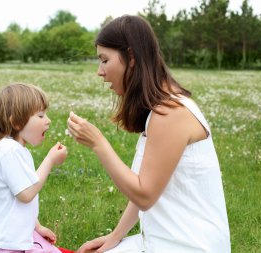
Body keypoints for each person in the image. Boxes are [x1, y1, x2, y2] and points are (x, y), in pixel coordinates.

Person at [67, 15, 231, 253]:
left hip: (190, 246)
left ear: (131, 57)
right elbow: (146, 188)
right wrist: (114, 237)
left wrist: (99, 144)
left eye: (105, 60)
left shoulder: (171, 113)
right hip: (161, 241)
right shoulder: (161, 109)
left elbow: (145, 195)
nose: (99, 72)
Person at [0, 83, 70, 253]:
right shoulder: (9, 151)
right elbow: (26, 194)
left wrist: (37, 227)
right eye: (41, 115)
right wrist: (50, 160)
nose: (48, 120)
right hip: (6, 245)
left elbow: (18, 203)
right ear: (16, 122)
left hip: (16, 238)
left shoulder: (18, 150)